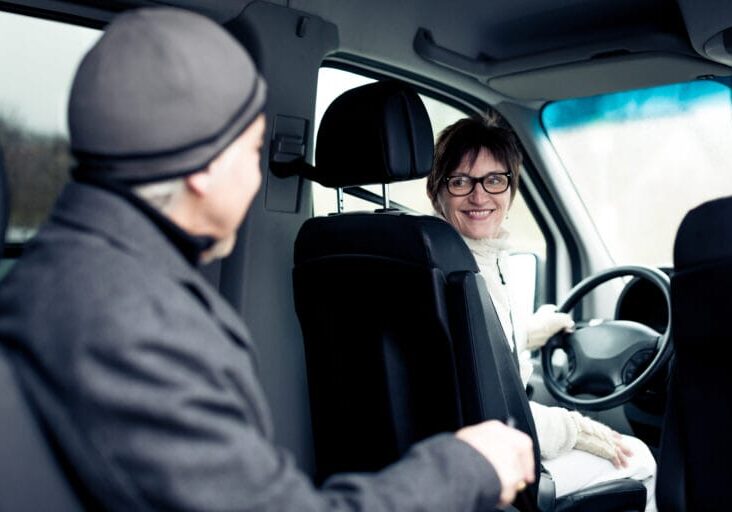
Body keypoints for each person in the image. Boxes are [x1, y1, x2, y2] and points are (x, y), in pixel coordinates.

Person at [0, 8, 535, 512]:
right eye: (252, 151)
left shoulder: (62, 270)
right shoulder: (130, 321)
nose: (258, 176)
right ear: (204, 171)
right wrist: (469, 466)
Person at [426, 116, 657, 511]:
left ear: (511, 189)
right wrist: (576, 428)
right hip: (492, 453)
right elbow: (495, 407)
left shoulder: (429, 257)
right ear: (438, 191)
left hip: (445, 446)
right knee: (640, 459)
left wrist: (536, 330)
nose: (479, 197)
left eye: (494, 180)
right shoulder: (462, 274)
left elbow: (475, 343)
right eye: (461, 181)